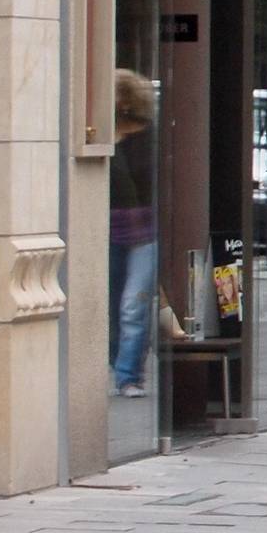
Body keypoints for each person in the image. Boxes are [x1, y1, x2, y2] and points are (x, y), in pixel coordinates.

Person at [110, 72, 159, 399]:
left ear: (127, 99)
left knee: (132, 306)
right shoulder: (102, 134)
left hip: (145, 230)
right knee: (110, 304)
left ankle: (129, 375)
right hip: (108, 228)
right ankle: (117, 361)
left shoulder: (149, 137)